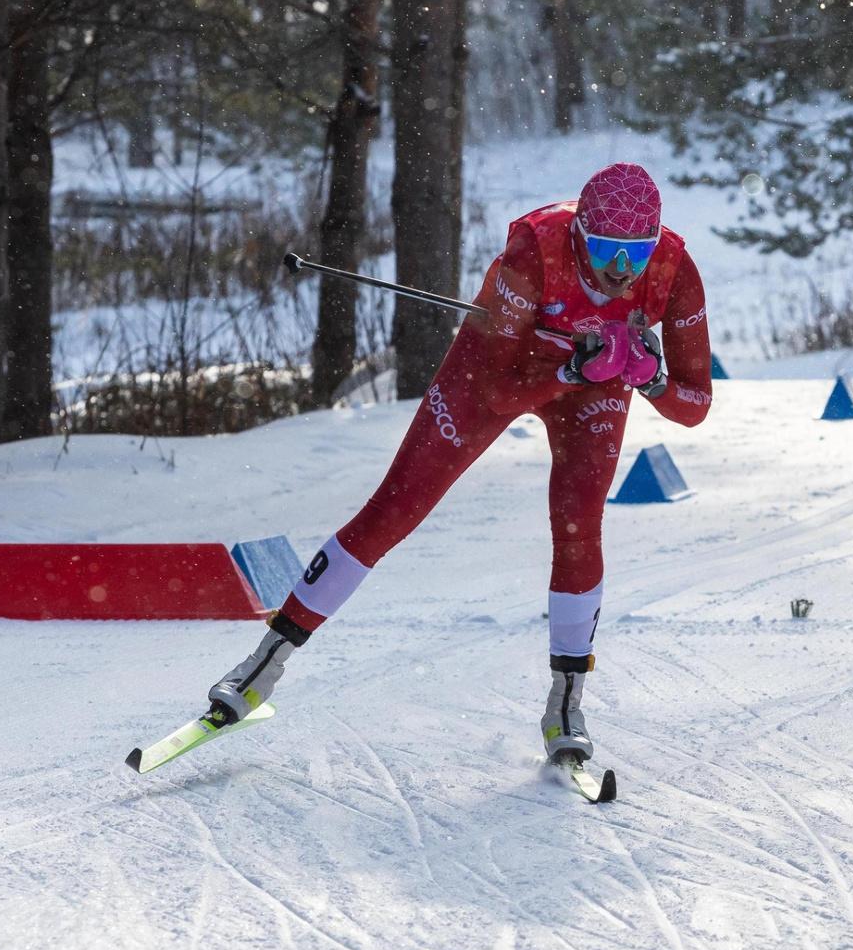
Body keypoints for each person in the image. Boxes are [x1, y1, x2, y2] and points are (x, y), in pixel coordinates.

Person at [201, 162, 713, 764]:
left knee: (578, 522)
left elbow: (695, 405)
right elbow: (497, 391)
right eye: (605, 248)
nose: (621, 269)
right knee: (396, 507)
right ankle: (264, 664)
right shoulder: (535, 253)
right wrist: (569, 368)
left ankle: (567, 701)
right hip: (501, 370)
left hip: (596, 383)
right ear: (579, 233)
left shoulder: (674, 271)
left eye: (637, 252)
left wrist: (650, 378)